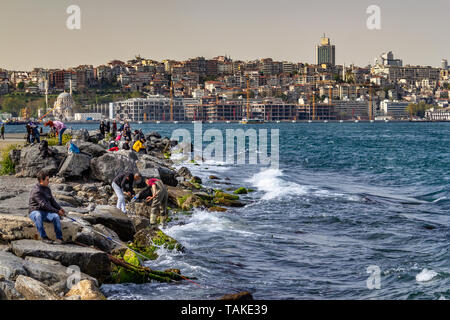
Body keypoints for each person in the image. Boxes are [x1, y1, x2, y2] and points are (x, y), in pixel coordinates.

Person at [28, 170, 66, 244]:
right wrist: (57, 211)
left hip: (45, 212)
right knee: (38, 215)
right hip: (35, 211)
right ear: (42, 180)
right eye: (47, 180)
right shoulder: (36, 191)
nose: (49, 181)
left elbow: (52, 201)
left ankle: (59, 238)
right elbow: (44, 205)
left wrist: (60, 208)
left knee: (55, 216)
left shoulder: (47, 188)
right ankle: (44, 237)